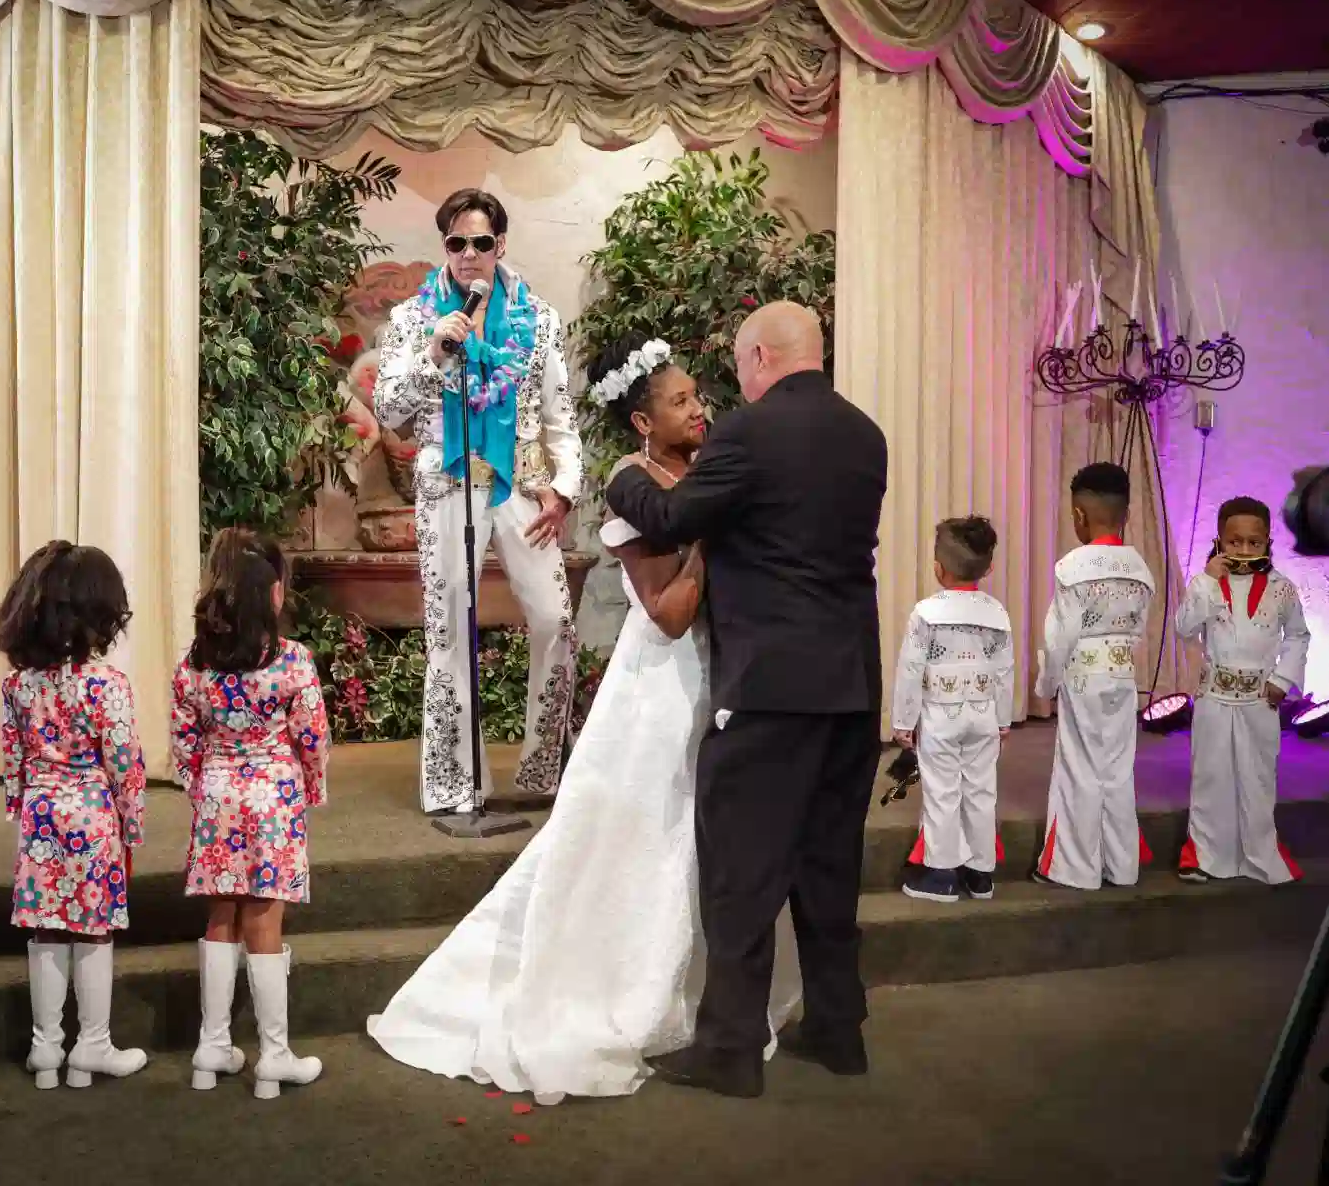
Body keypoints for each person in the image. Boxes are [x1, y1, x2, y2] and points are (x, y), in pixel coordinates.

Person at [366, 335, 801, 1103]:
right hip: (660, 686)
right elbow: (668, 615)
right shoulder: (635, 490)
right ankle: (613, 990)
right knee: (646, 833)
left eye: (699, 396)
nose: (699, 409)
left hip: (722, 678)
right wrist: (711, 548)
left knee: (711, 839)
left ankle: (715, 1000)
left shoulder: (709, 474)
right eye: (679, 401)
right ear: (642, 420)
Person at [606, 302, 888, 1099]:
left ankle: (728, 1048)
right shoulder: (866, 434)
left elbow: (667, 516)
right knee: (829, 866)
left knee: (742, 870)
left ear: (760, 355)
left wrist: (621, 476)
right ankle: (839, 1030)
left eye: (738, 366)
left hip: (771, 687)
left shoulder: (750, 433)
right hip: (852, 684)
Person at [373, 188, 582, 813]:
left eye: (481, 243)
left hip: (521, 483)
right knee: (450, 630)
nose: (469, 255)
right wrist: (435, 352)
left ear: (501, 246)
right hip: (447, 484)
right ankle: (454, 782)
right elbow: (387, 408)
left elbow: (560, 417)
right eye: (457, 243)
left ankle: (545, 765)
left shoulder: (539, 319)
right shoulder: (414, 318)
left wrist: (565, 491)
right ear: (444, 248)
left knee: (555, 620)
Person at [171, 528, 331, 1100]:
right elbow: (311, 738)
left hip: (216, 793)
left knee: (222, 917)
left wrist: (202, 784)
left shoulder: (194, 664)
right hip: (272, 797)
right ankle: (274, 1055)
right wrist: (312, 788)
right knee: (264, 918)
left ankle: (211, 1047)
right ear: (274, 594)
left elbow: (183, 739)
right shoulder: (293, 662)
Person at [0, 541, 147, 1090]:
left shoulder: (18, 684)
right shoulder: (106, 685)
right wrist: (133, 828)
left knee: (45, 927)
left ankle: (45, 1049)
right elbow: (125, 765)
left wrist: (22, 806)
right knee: (94, 927)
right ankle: (93, 1045)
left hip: (40, 814)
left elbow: (12, 757)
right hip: (92, 817)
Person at [1175, 497, 1310, 884]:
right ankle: (1204, 856)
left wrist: (1282, 681)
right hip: (1214, 698)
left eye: (1255, 542)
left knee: (1258, 778)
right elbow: (1184, 629)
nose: (1245, 550)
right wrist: (1204, 581)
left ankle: (1258, 854)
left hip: (1260, 699)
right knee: (1210, 777)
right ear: (1219, 541)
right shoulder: (1205, 583)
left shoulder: (1283, 589)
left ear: (1268, 542)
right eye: (1235, 542)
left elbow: (1298, 637)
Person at [1033, 463, 1155, 890]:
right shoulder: (1140, 568)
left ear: (1079, 516)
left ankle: (1076, 868)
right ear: (1124, 513)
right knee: (1118, 770)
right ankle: (1122, 866)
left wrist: (1046, 684)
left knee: (1080, 769)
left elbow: (1060, 635)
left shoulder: (1073, 567)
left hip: (1083, 677)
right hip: (1122, 676)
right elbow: (1139, 628)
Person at [892, 517, 1014, 904]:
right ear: (989, 568)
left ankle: (941, 873)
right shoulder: (997, 613)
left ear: (937, 567)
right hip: (983, 715)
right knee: (981, 790)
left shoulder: (926, 612)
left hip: (940, 717)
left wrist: (903, 721)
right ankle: (981, 874)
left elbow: (911, 669)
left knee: (942, 790)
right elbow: (1004, 672)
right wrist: (1003, 720)